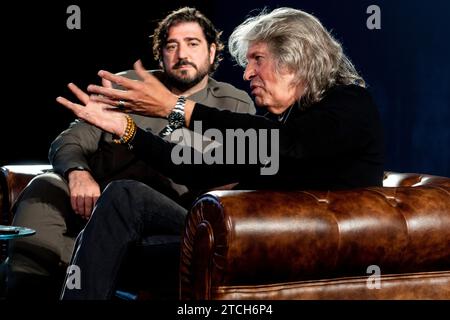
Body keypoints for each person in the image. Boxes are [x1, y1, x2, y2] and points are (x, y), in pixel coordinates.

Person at [57, 7, 384, 299]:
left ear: (296, 59)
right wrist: (124, 130)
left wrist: (176, 107)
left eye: (258, 59)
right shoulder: (281, 120)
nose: (246, 74)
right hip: (239, 236)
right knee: (124, 197)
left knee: (113, 250)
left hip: (281, 248)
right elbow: (196, 167)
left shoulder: (349, 104)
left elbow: (288, 144)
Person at [3, 7, 254, 300]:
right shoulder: (126, 87)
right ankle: (27, 287)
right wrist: (78, 173)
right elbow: (69, 140)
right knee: (44, 185)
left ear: (212, 52)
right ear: (160, 55)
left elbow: (228, 171)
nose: (181, 53)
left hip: (167, 211)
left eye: (192, 43)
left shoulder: (232, 104)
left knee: (125, 199)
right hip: (95, 205)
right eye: (171, 46)